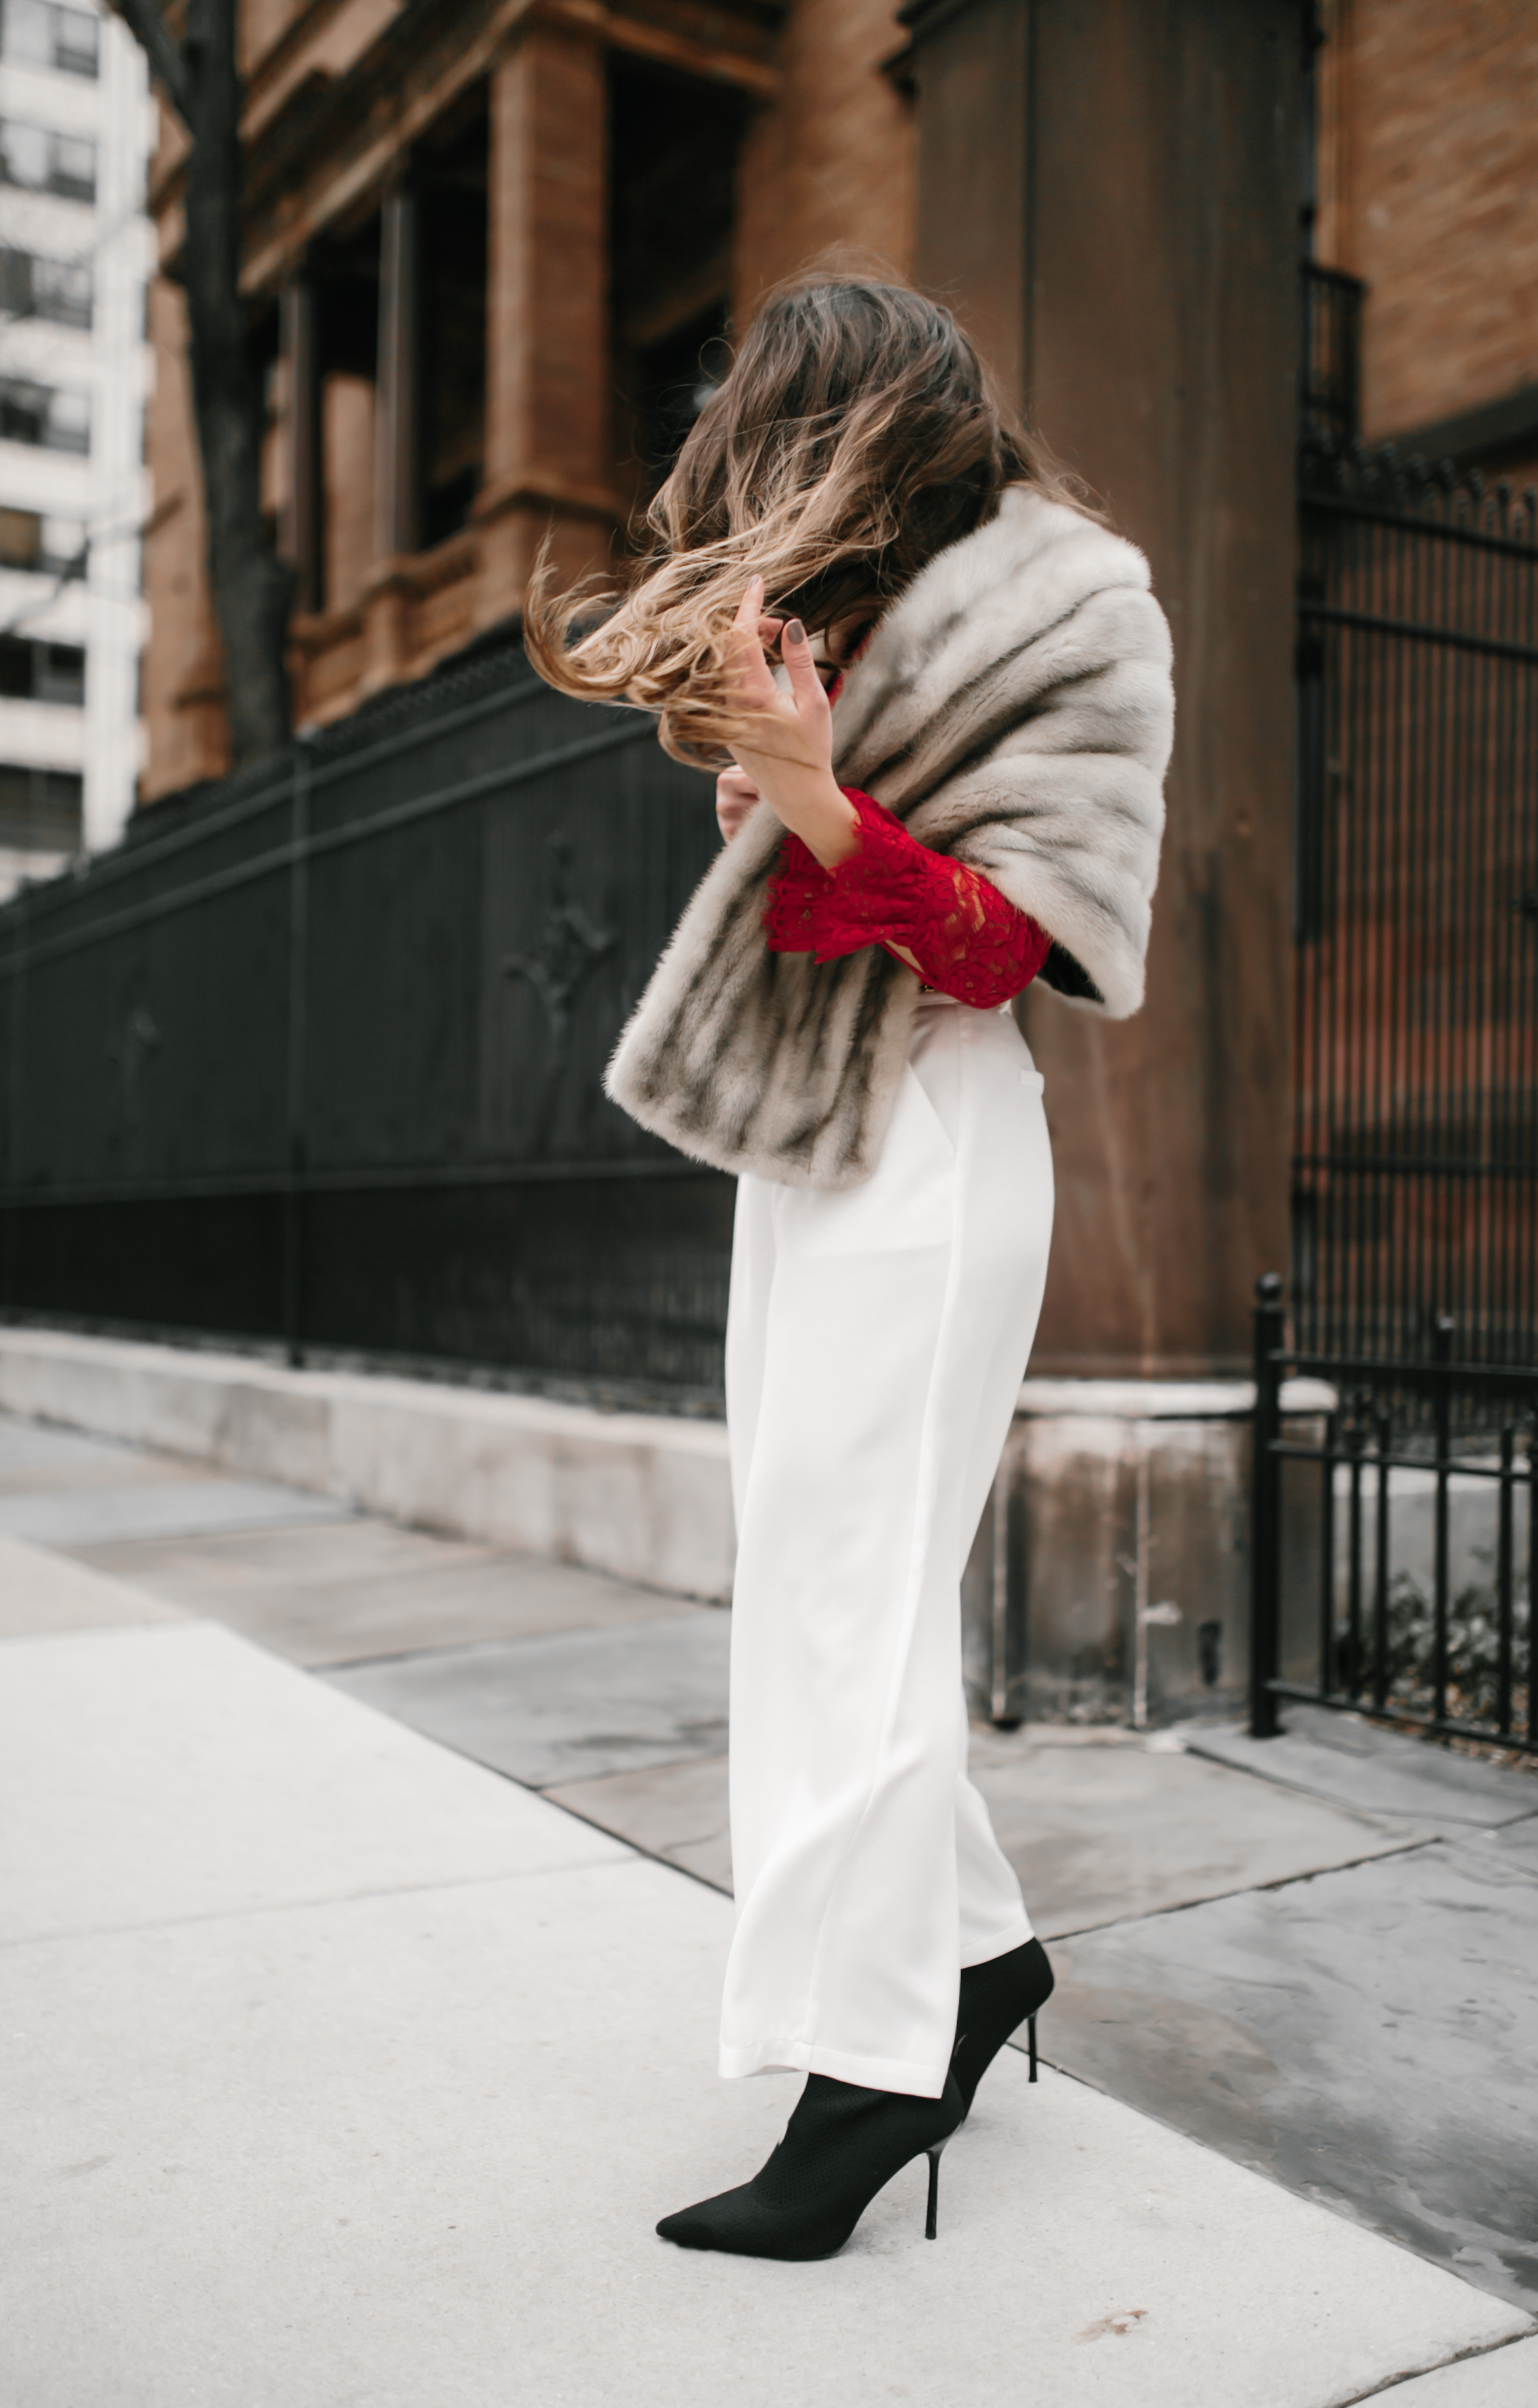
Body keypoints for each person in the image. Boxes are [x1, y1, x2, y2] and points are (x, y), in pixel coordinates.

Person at [526, 278, 1173, 2261]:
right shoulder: (861, 602)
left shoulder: (1078, 608)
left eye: (778, 422)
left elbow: (1015, 951)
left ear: (873, 418)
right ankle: (975, 1963)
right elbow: (831, 907)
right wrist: (775, 790)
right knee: (818, 1588)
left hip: (938, 1137)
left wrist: (813, 799)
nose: (751, 455)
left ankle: (875, 2077)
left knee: (856, 1608)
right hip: (812, 1147)